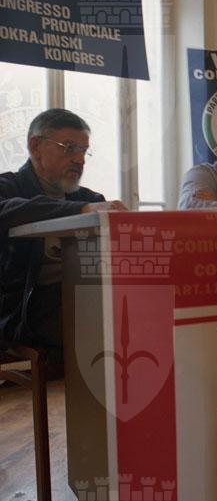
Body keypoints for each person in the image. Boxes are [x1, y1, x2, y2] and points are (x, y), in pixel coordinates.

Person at [0, 108, 127, 349]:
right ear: (35, 147)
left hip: (85, 300)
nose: (80, 160)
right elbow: (8, 210)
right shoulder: (7, 188)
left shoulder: (90, 198)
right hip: (23, 312)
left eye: (83, 151)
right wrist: (81, 210)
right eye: (69, 148)